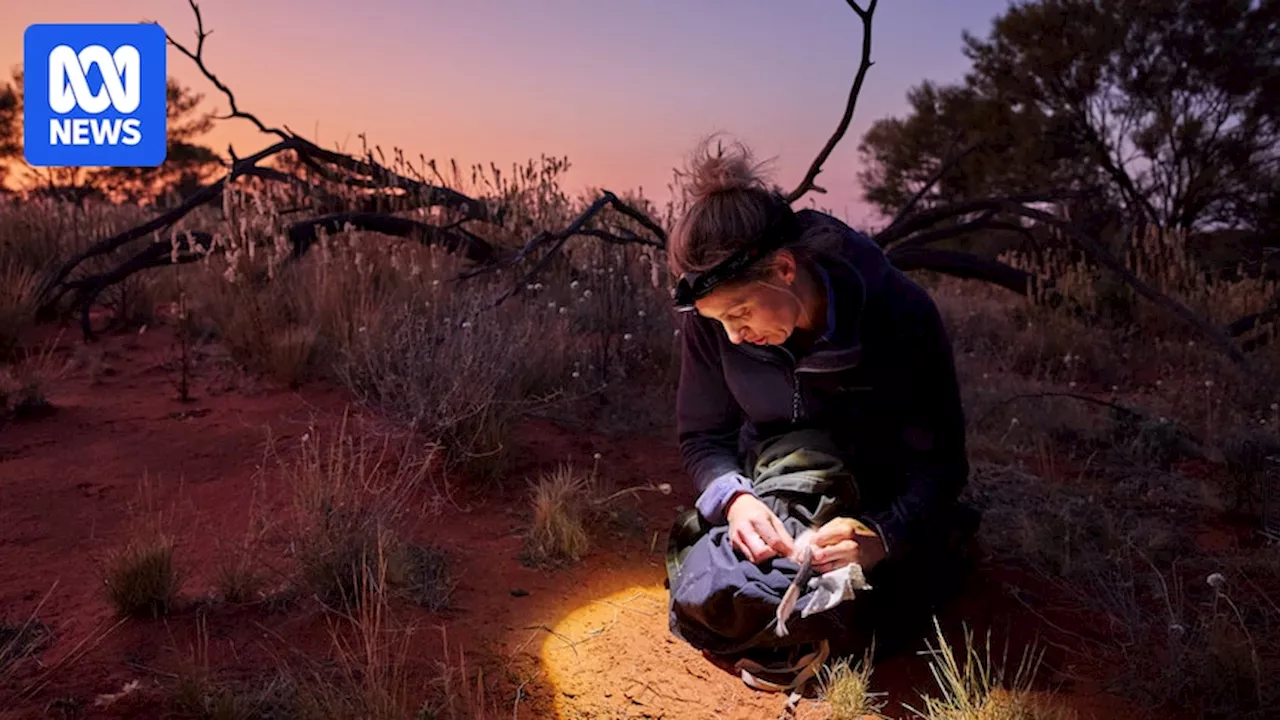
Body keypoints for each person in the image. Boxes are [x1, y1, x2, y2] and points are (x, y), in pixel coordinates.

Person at [663, 137, 980, 696]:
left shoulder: (899, 314)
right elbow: (702, 438)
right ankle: (800, 623)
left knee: (894, 592)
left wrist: (882, 535)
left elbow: (941, 467)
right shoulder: (711, 326)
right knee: (720, 587)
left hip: (881, 486)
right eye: (719, 323)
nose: (734, 335)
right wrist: (735, 500)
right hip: (783, 479)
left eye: (740, 312)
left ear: (784, 268)